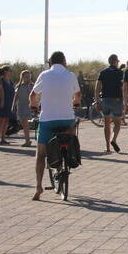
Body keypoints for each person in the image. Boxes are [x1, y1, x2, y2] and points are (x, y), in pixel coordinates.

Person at [30, 51, 81, 200]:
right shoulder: (71, 75)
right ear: (64, 62)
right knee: (70, 134)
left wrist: (33, 106)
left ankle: (38, 187)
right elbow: (77, 95)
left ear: (50, 63)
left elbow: (33, 95)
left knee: (40, 154)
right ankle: (69, 155)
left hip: (48, 120)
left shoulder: (44, 75)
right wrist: (75, 104)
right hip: (66, 119)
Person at [95, 55, 124, 152]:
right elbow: (123, 88)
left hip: (106, 99)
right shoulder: (120, 73)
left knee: (106, 123)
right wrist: (125, 101)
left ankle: (107, 147)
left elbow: (97, 88)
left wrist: (97, 101)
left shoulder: (103, 72)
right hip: (117, 100)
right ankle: (114, 139)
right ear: (116, 62)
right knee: (117, 123)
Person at [14, 70, 34, 147]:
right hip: (21, 106)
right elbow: (16, 97)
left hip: (29, 106)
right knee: (23, 123)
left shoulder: (32, 85)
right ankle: (27, 140)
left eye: (29, 76)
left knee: (25, 124)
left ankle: (27, 140)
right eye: (26, 77)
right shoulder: (19, 86)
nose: (27, 78)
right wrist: (13, 106)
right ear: (22, 77)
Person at [0, 65, 15, 145]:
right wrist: (1, 101)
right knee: (0, 121)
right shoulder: (0, 80)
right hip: (2, 103)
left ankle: (3, 138)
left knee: (6, 121)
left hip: (9, 104)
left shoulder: (10, 81)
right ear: (5, 72)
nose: (11, 72)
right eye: (10, 71)